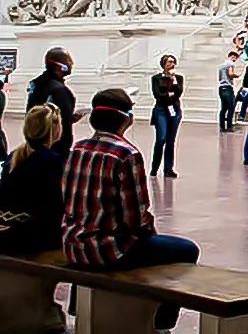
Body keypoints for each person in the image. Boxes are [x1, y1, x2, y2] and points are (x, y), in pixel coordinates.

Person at [62, 88, 201, 332]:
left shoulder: (77, 148)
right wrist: (151, 233)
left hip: (73, 242)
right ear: (126, 118)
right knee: (186, 250)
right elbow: (135, 217)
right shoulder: (126, 154)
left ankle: (77, 303)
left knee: (94, 231)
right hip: (108, 249)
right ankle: (162, 322)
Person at [0, 104, 66, 333]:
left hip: (10, 228)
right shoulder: (51, 160)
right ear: (54, 130)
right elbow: (54, 206)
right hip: (34, 235)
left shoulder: (15, 156)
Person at [26, 47, 79, 158]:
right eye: (68, 60)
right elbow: (62, 124)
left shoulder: (37, 85)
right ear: (60, 65)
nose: (72, 63)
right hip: (55, 148)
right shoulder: (58, 90)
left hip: (34, 141)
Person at [148, 54, 184, 178]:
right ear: (164, 64)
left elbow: (178, 93)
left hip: (174, 109)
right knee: (161, 138)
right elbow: (158, 94)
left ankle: (168, 168)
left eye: (173, 62)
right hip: (161, 109)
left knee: (170, 140)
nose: (172, 64)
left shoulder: (178, 78)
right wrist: (168, 94)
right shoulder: (156, 78)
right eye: (169, 62)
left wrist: (173, 81)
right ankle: (154, 167)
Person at [217, 50, 241, 133]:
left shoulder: (221, 65)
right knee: (231, 107)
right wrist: (236, 75)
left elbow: (220, 77)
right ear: (233, 56)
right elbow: (230, 74)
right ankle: (229, 126)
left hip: (221, 87)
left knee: (223, 108)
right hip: (228, 87)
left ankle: (222, 126)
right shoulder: (230, 64)